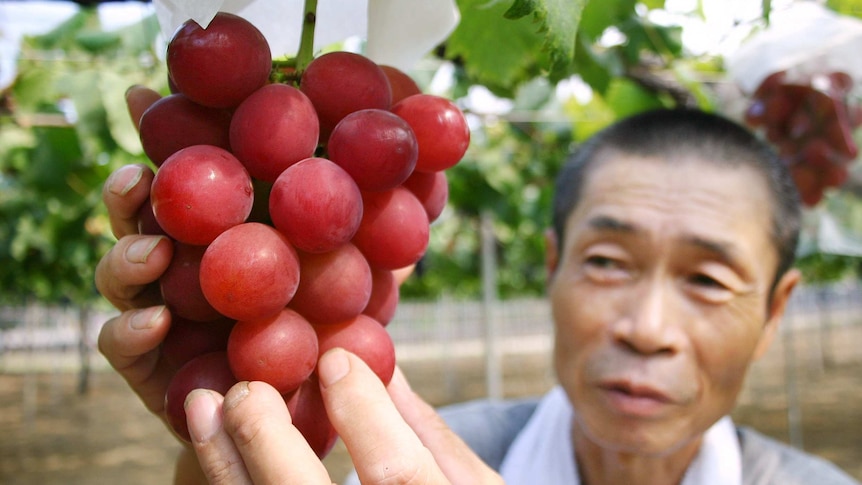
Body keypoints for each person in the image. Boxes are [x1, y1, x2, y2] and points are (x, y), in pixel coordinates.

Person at [95, 92, 860, 484]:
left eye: (707, 278)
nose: (646, 326)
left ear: (775, 312)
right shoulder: (415, 454)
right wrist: (214, 438)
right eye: (606, 262)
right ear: (551, 265)